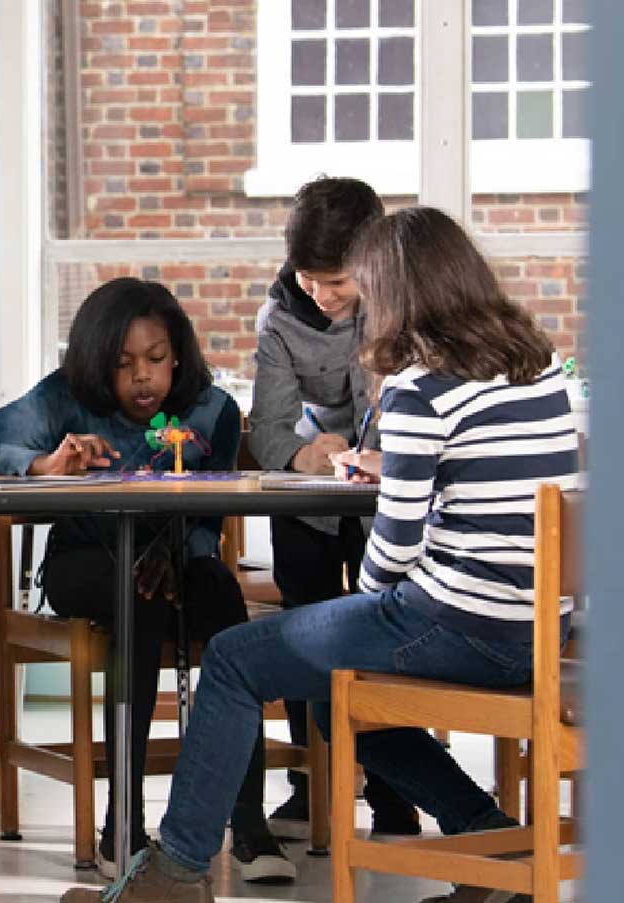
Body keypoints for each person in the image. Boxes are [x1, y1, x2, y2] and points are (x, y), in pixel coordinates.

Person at [64, 207, 581, 903]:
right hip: (540, 628)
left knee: (234, 658)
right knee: (330, 692)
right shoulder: (540, 362)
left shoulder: (418, 386)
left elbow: (393, 554)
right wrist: (400, 472)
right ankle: (491, 839)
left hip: (461, 621)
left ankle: (173, 877)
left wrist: (366, 593)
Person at [0, 278, 294, 883]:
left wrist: (181, 549)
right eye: (123, 364)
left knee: (225, 606)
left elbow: (210, 516)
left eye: (155, 360)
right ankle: (123, 824)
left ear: (177, 355)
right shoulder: (64, 398)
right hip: (83, 560)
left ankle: (249, 821)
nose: (141, 378)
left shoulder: (210, 409)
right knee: (140, 598)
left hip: (179, 558)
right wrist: (41, 463)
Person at [247, 175, 420, 839]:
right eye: (312, 279)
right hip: (309, 498)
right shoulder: (279, 322)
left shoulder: (403, 307)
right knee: (304, 632)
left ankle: (395, 792)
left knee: (387, 635)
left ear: (372, 263)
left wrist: (382, 455)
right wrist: (302, 456)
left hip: (387, 500)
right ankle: (309, 782)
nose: (324, 295)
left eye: (339, 282)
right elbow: (267, 431)